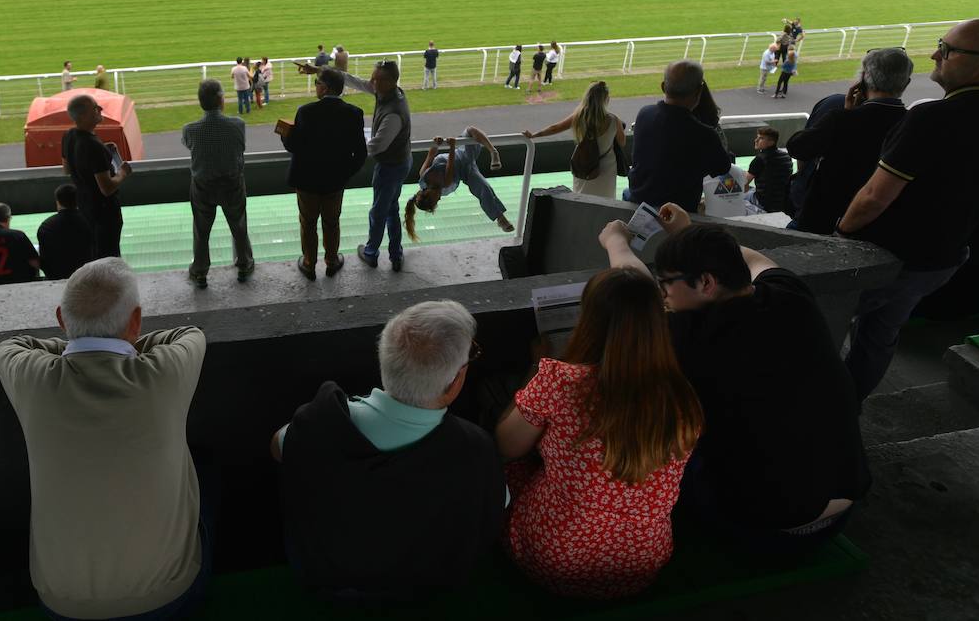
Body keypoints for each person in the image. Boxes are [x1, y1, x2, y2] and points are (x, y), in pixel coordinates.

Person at [600, 205, 870, 554]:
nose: (662, 292)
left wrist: (615, 242)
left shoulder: (687, 336)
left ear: (707, 282)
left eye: (666, 282)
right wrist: (687, 233)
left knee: (667, 452)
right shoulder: (790, 296)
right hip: (845, 505)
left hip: (767, 528)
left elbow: (636, 290)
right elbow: (754, 260)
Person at [0, 259, 209, 621]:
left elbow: (13, 345)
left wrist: (81, 342)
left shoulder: (32, 378)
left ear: (62, 320)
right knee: (207, 471)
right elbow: (190, 335)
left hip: (61, 605)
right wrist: (122, 341)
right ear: (136, 322)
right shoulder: (165, 371)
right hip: (169, 597)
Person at [837, 20, 979, 401]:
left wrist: (840, 232)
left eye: (948, 49)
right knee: (880, 334)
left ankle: (808, 412)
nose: (935, 54)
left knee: (813, 325)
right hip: (942, 260)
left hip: (887, 259)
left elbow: (875, 196)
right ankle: (847, 406)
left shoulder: (930, 117)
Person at [271, 300, 505, 603]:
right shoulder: (477, 449)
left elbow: (277, 448)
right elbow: (494, 510)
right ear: (454, 382)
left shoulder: (317, 422)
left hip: (325, 578)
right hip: (429, 584)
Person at [495, 268, 703, 599]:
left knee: (507, 470)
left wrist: (536, 369)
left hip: (556, 560)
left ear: (589, 319)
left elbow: (507, 445)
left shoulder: (561, 382)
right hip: (643, 564)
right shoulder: (681, 397)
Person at [298, 58, 412, 272]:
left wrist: (340, 149)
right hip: (399, 161)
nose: (371, 82)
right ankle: (396, 254)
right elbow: (353, 80)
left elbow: (376, 146)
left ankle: (371, 254)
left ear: (389, 82)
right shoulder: (388, 91)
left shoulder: (394, 113)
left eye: (376, 79)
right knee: (391, 209)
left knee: (379, 212)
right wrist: (320, 69)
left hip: (391, 166)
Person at [786, 48, 912, 235]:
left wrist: (846, 114)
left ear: (863, 80)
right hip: (878, 225)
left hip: (823, 222)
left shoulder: (841, 119)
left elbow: (796, 147)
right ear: (906, 83)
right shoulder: (912, 124)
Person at [279, 67, 367, 280]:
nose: (315, 86)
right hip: (334, 182)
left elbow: (294, 146)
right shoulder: (354, 113)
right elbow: (361, 153)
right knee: (332, 222)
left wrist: (285, 135)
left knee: (308, 223)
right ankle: (332, 261)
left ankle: (309, 264)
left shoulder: (305, 111)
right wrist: (344, 174)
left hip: (307, 181)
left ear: (325, 87)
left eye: (317, 82)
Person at [626, 61, 733, 211]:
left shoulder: (644, 114)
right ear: (699, 91)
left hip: (638, 203)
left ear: (663, 87)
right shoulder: (705, 134)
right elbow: (723, 167)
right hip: (677, 214)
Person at [181, 80, 255, 288]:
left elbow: (189, 145)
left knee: (201, 230)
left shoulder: (190, 130)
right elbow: (240, 148)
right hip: (232, 184)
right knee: (238, 226)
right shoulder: (238, 125)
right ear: (221, 99)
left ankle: (200, 271)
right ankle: (244, 264)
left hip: (203, 186)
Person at [405, 130, 514, 241]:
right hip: (465, 170)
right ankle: (500, 218)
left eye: (436, 201)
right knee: (484, 188)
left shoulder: (424, 176)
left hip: (462, 155)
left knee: (470, 131)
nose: (439, 199)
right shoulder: (445, 184)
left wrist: (436, 142)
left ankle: (493, 151)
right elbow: (450, 164)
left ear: (429, 195)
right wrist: (452, 146)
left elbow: (431, 154)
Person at [524, 81, 626, 197]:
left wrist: (534, 135)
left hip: (584, 162)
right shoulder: (614, 120)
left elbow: (555, 128)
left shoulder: (580, 116)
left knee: (582, 197)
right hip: (607, 165)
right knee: (606, 198)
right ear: (606, 99)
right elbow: (622, 142)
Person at [61, 93, 131, 260]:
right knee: (109, 257)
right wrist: (123, 173)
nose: (100, 109)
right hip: (105, 213)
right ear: (83, 116)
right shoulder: (93, 146)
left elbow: (67, 169)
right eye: (95, 107)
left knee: (95, 253)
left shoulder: (68, 136)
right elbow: (107, 188)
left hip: (85, 207)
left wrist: (104, 150)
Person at [36, 184, 93, 281]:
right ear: (77, 199)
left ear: (58, 202)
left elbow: (44, 260)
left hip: (56, 277)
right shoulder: (90, 222)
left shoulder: (46, 226)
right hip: (86, 276)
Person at [744, 127, 793, 213]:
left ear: (771, 142)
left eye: (761, 138)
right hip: (784, 202)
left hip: (765, 203)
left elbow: (744, 183)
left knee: (738, 195)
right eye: (757, 137)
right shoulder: (786, 157)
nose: (756, 140)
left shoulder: (759, 159)